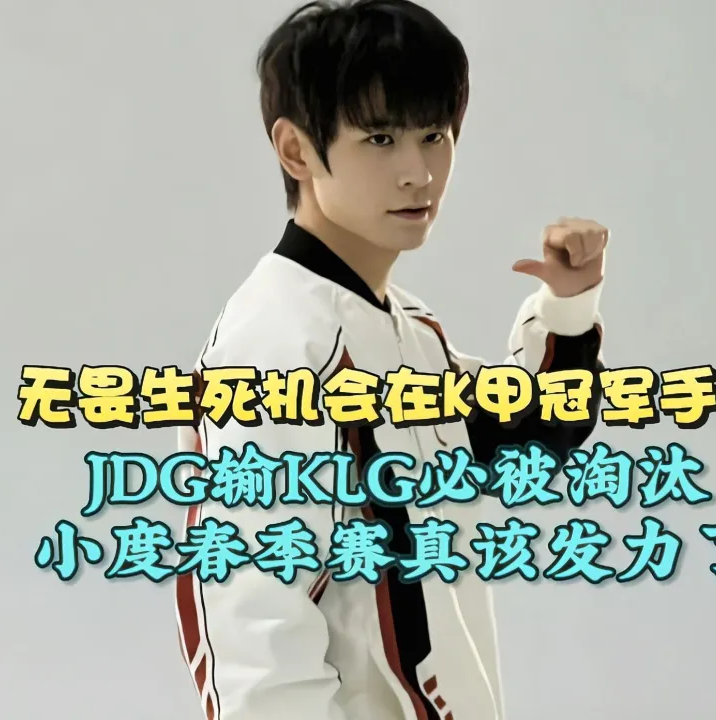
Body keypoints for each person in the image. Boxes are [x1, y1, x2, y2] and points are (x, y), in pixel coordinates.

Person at [174, 1, 608, 718]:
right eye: (379, 138)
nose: (418, 172)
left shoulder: (403, 328)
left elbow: (522, 438)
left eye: (433, 135)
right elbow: (252, 632)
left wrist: (567, 307)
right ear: (296, 151)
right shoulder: (280, 349)